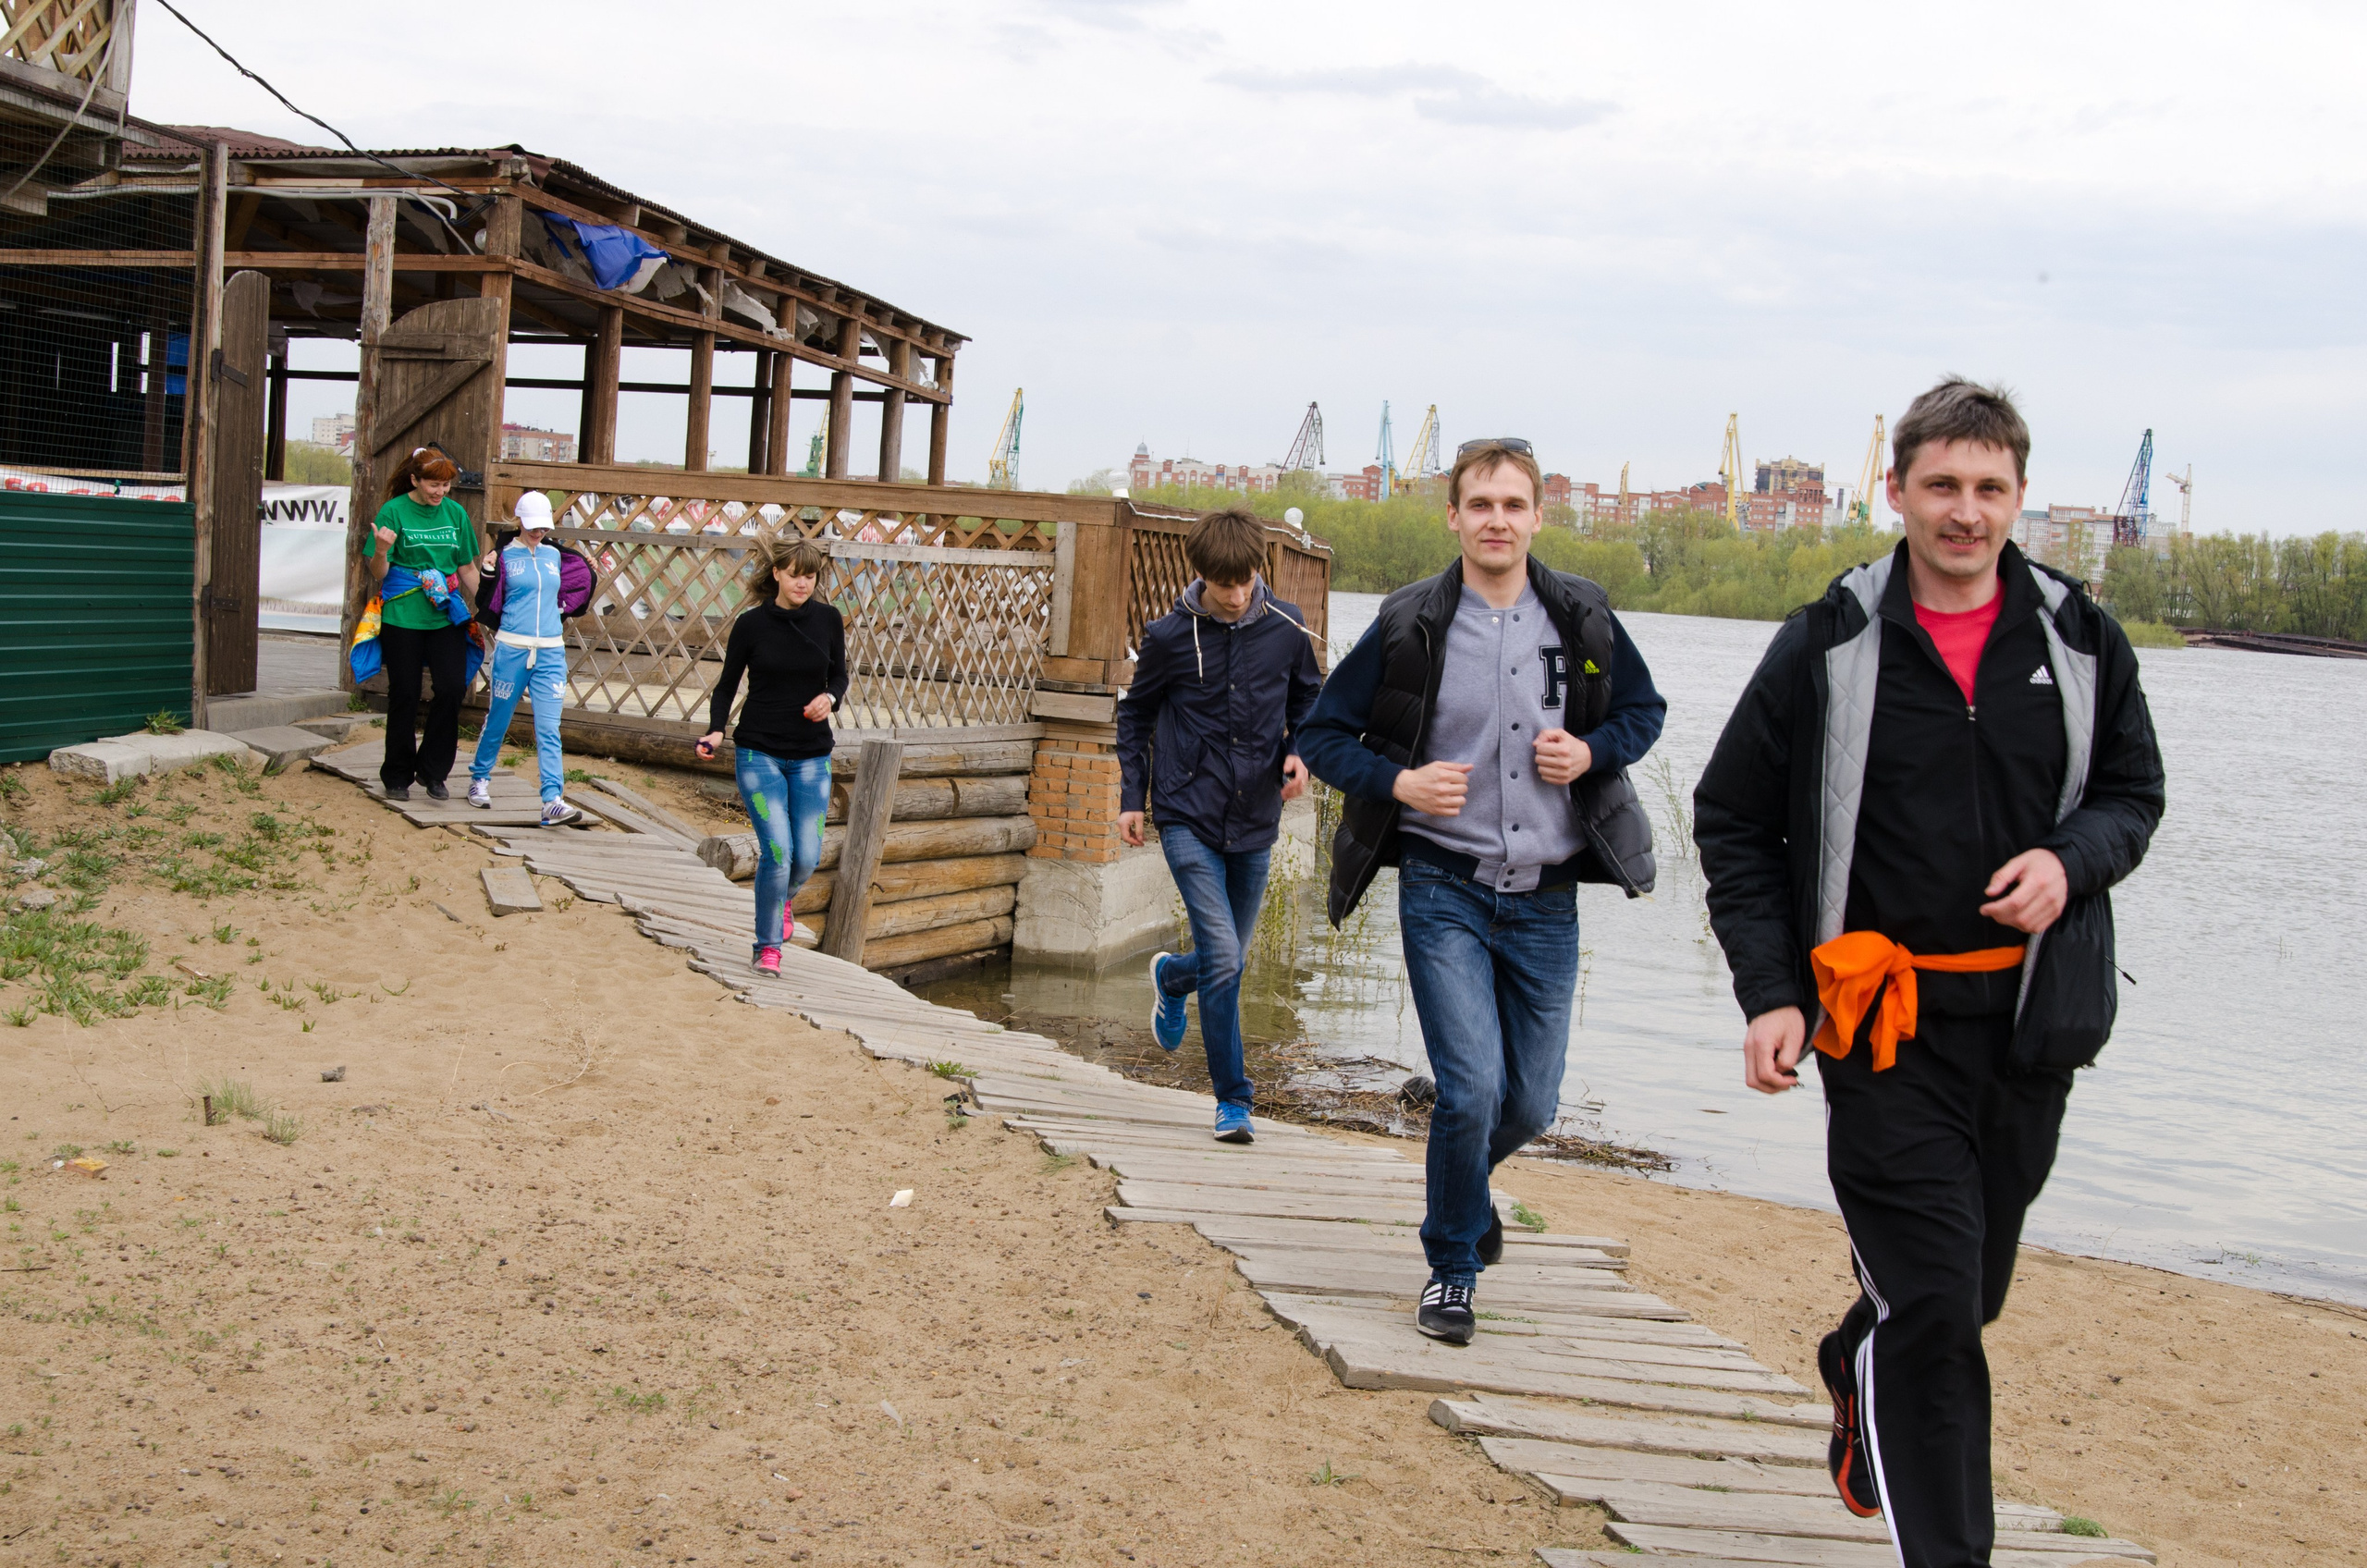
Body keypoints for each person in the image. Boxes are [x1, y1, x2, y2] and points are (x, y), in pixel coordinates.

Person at [1691, 379, 2165, 1565]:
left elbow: (2132, 795)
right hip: (1878, 1026)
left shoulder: (2079, 635)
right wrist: (1771, 993)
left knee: (1964, 1291)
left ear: (2018, 498)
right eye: (1940, 486)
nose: (1964, 513)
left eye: (1988, 488)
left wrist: (2069, 861)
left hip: (2030, 1025)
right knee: (1941, 1315)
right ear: (1895, 491)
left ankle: (1858, 1352)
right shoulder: (1829, 641)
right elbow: (1732, 818)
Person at [1297, 441, 1664, 1343]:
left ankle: (1464, 1195)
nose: (1496, 519)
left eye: (1512, 503)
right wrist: (1399, 783)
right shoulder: (1407, 622)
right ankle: (1451, 1267)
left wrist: (1590, 752)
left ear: (1537, 516)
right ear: (1453, 518)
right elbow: (1323, 732)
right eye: (1479, 503)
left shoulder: (1581, 616)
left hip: (1544, 899)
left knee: (1531, 1102)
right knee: (1469, 1088)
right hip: (1443, 888)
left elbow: (1641, 713)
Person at [1115, 506, 1324, 1145]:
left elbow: (1310, 699)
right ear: (1200, 573)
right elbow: (1136, 715)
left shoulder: (1288, 626)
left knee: (1222, 959)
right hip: (1185, 814)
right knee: (1228, 961)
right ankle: (1234, 1101)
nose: (1234, 597)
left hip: (1257, 820)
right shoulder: (1169, 635)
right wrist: (1132, 797)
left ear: (1258, 569)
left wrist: (1301, 752)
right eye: (1221, 584)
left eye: (1244, 582)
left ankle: (1173, 978)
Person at [696, 536, 847, 976]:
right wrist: (717, 729)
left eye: (811, 576)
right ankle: (767, 947)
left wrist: (830, 699)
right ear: (777, 574)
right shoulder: (750, 625)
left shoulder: (828, 620)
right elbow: (727, 685)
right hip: (758, 751)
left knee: (805, 858)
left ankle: (782, 902)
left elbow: (840, 674)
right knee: (778, 852)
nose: (804, 583)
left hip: (812, 756)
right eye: (796, 574)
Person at [364, 447, 481, 801]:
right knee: (405, 692)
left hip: (444, 612)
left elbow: (467, 569)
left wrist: (490, 612)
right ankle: (397, 775)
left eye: (445, 485)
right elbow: (379, 573)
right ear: (415, 480)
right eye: (433, 484)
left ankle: (433, 772)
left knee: (450, 688)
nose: (440, 492)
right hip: (403, 614)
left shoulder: (456, 513)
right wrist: (382, 550)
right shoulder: (394, 511)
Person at [466, 491, 584, 827]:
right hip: (512, 648)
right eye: (532, 526)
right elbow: (489, 597)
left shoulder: (555, 555)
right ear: (519, 521)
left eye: (543, 527)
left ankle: (552, 799)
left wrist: (581, 578)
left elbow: (572, 588)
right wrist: (488, 573)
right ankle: (479, 778)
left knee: (549, 727)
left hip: (550, 650)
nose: (538, 533)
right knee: (499, 718)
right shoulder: (503, 556)